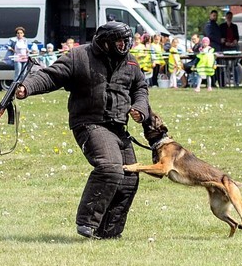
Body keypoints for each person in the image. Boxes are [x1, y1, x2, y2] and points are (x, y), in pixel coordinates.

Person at [14, 22, 149, 240]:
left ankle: (109, 232)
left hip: (118, 127)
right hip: (90, 123)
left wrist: (140, 109)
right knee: (110, 168)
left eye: (127, 41)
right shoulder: (78, 57)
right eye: (120, 42)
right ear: (106, 43)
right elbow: (51, 76)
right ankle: (87, 223)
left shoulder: (130, 62)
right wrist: (27, 87)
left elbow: (140, 88)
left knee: (129, 177)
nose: (125, 46)